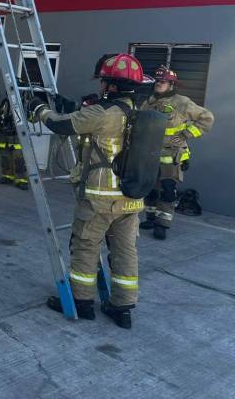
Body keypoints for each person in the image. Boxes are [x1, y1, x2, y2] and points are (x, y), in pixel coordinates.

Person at [28, 54, 150, 329]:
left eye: (105, 82)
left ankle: (81, 301)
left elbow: (59, 125)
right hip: (132, 199)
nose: (102, 86)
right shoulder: (138, 110)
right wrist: (72, 108)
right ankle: (123, 306)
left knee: (85, 245)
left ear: (113, 86)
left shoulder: (102, 113)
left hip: (100, 198)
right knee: (125, 250)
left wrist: (38, 108)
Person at [139, 65, 214, 240]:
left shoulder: (182, 102)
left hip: (171, 156)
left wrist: (187, 134)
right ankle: (150, 218)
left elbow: (207, 118)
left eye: (163, 81)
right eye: (157, 81)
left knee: (167, 191)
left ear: (171, 84)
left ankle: (162, 224)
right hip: (149, 154)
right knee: (150, 189)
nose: (158, 83)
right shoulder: (149, 102)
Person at [0, 98, 28, 190]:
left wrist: (30, 114)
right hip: (3, 136)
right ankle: (7, 176)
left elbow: (33, 119)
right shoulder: (3, 103)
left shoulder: (24, 103)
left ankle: (21, 180)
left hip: (16, 137)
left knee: (19, 159)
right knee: (5, 157)